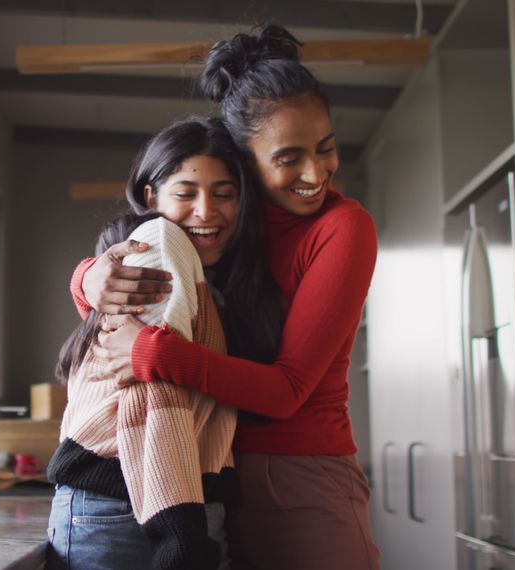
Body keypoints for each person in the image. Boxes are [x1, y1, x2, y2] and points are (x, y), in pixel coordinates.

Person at [71, 25, 381, 569]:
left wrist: (153, 353)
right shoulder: (230, 229)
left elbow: (285, 390)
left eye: (326, 149)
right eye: (288, 157)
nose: (316, 173)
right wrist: (90, 277)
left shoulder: (342, 227)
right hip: (213, 473)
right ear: (247, 162)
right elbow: (149, 306)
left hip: (303, 476)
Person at [46, 117, 283, 570]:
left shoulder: (212, 274)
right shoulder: (160, 240)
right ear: (152, 197)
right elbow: (154, 399)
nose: (206, 210)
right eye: (187, 192)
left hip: (160, 500)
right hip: (133, 506)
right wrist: (180, 531)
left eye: (224, 193)